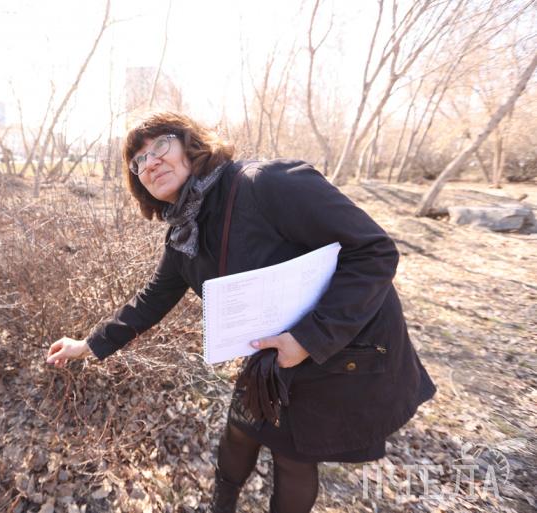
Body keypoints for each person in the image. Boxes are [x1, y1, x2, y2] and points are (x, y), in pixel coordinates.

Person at [46, 111, 436, 513]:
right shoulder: (184, 231)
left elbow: (374, 251)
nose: (150, 162)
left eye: (160, 145)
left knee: (292, 455)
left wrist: (308, 339)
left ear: (191, 144)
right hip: (272, 350)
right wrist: (88, 345)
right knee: (241, 430)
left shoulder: (266, 183)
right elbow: (152, 299)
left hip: (337, 339)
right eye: (138, 161)